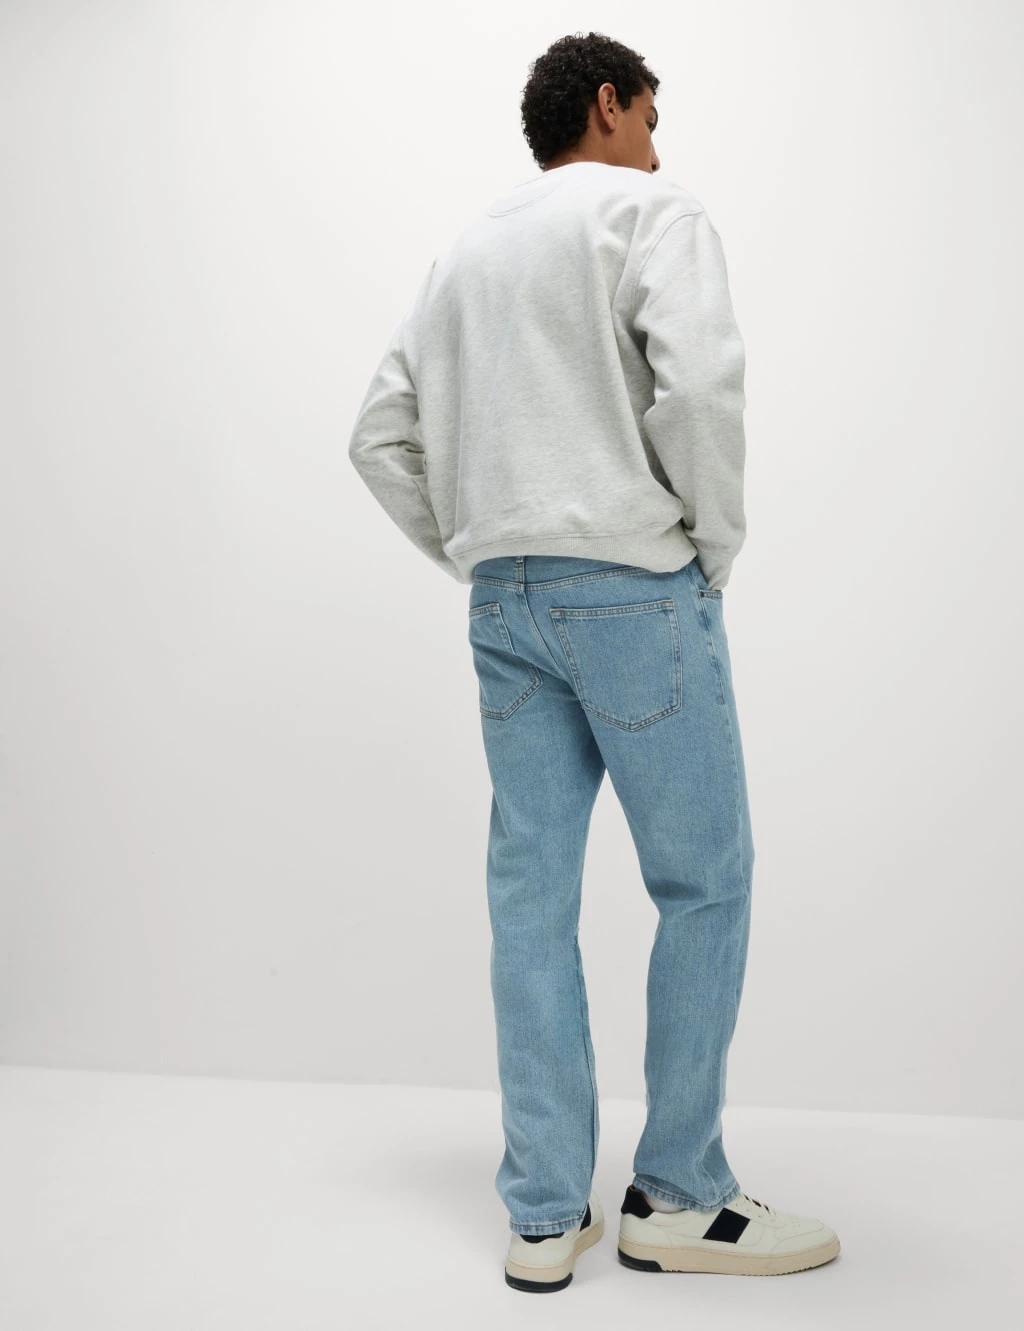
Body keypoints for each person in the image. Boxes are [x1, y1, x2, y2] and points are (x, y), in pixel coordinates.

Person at [348, 30, 840, 1293]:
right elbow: (700, 389)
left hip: (504, 605)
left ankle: (541, 1212)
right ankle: (678, 1193)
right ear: (609, 103)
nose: (659, 147)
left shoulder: (463, 252)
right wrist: (708, 546)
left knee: (530, 899)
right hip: (631, 589)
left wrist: (478, 547)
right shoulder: (652, 212)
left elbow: (378, 433)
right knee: (704, 882)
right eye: (651, 117)